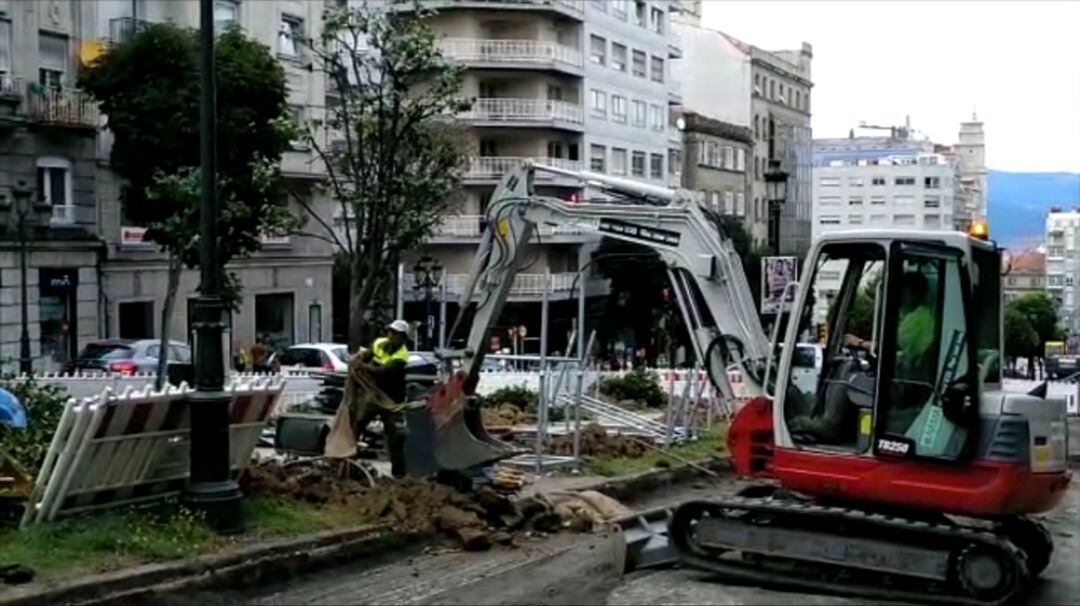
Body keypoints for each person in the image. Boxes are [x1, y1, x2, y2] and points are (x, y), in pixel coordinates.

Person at [353, 320, 411, 477]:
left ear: (403, 338)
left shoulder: (401, 356)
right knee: (356, 425)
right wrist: (361, 357)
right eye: (390, 332)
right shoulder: (379, 343)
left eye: (395, 334)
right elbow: (368, 354)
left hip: (392, 401)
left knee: (396, 438)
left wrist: (362, 367)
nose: (391, 336)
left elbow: (383, 372)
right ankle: (347, 460)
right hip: (374, 394)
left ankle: (399, 476)